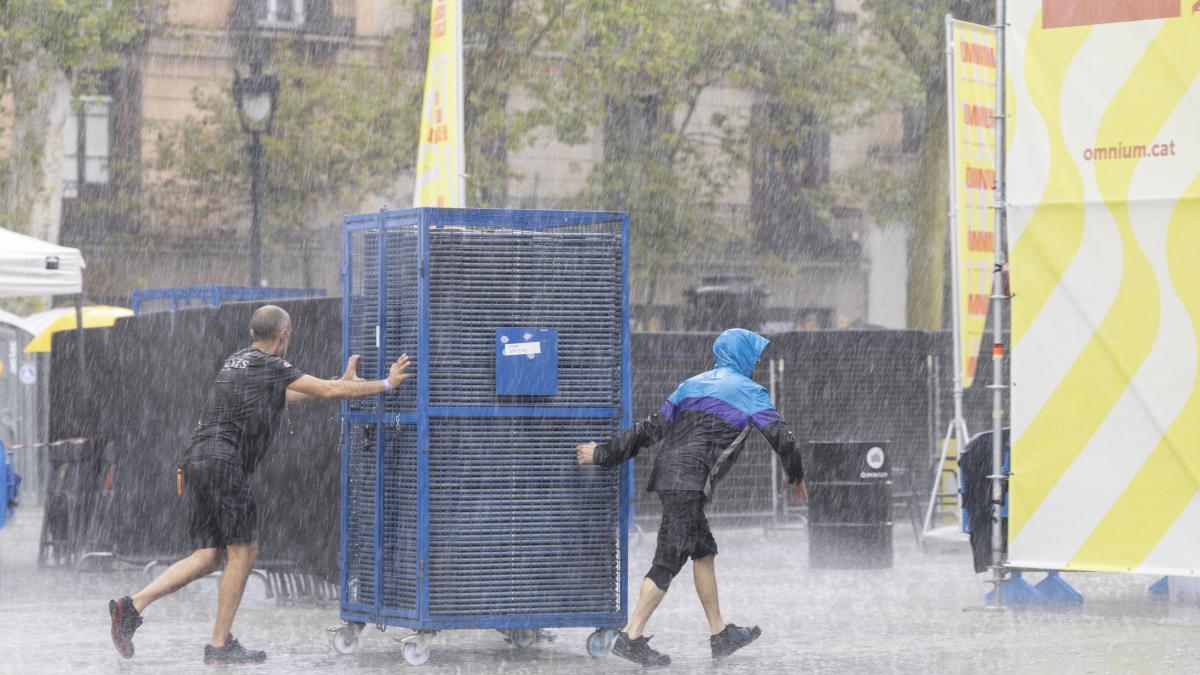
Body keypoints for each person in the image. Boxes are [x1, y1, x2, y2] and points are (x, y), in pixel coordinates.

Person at [108, 305, 410, 665]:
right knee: (244, 552)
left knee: (206, 556)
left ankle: (131, 606)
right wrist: (386, 384)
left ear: (253, 334)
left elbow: (290, 394)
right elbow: (327, 391)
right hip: (224, 464)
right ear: (285, 335)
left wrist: (342, 386)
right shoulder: (272, 365)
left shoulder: (238, 361)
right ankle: (219, 646)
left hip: (197, 460)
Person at [576, 328, 805, 668]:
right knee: (668, 560)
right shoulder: (750, 392)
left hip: (672, 476)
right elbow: (782, 438)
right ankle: (630, 636)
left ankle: (720, 634)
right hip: (688, 483)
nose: (758, 360)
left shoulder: (691, 384)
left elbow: (649, 429)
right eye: (754, 353)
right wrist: (796, 476)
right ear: (741, 355)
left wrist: (606, 453)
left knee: (703, 552)